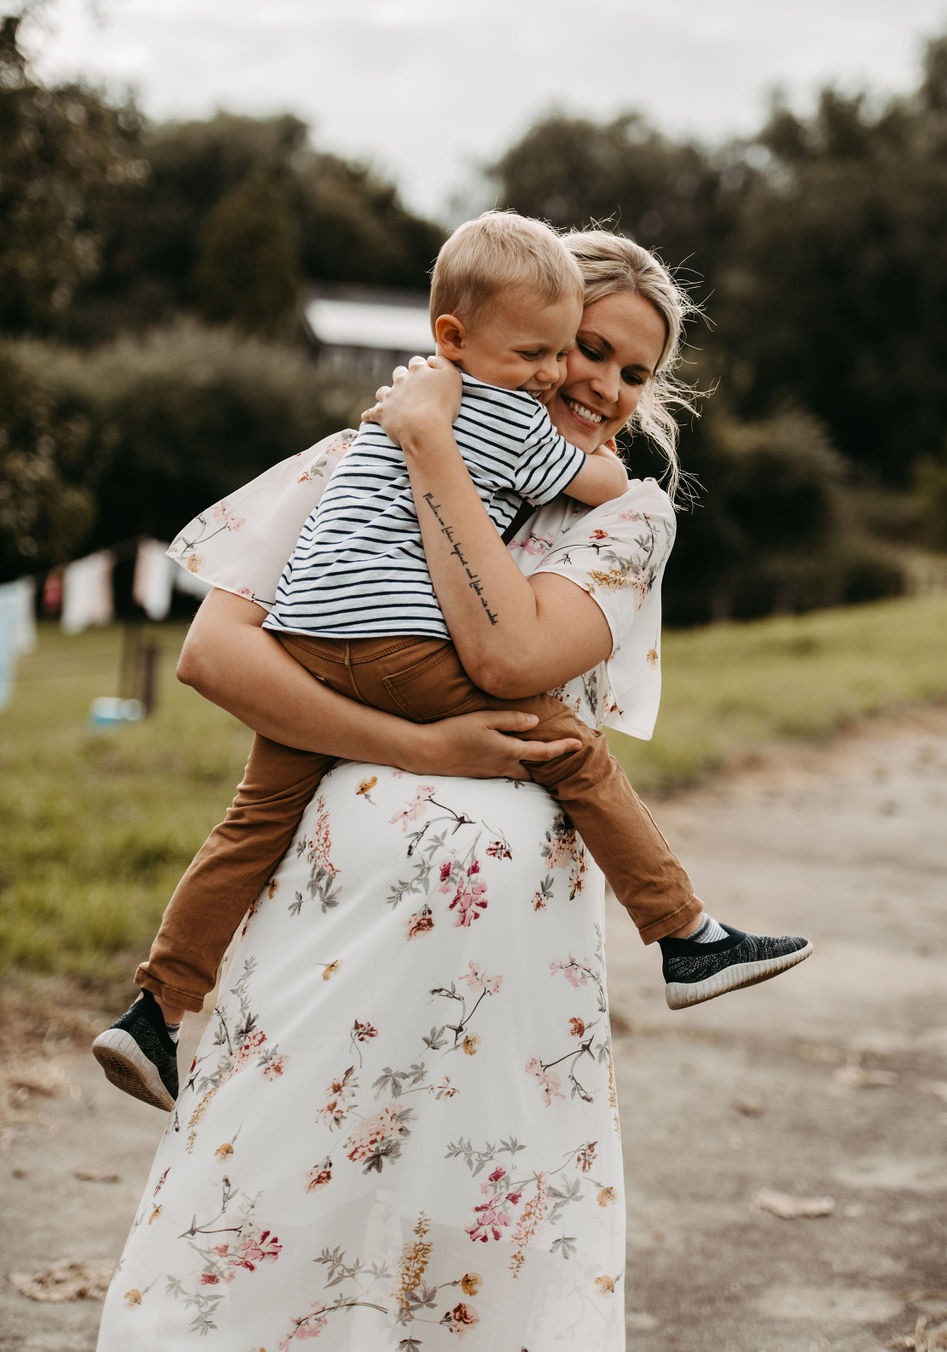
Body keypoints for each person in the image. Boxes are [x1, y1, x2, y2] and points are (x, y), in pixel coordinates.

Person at [97, 230, 809, 1351]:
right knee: (276, 1195)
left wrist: (436, 449)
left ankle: (683, 938)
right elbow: (215, 655)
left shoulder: (624, 515)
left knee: (476, 1226)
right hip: (329, 922)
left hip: (510, 965)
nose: (599, 386)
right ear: (492, 339)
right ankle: (159, 1012)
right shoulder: (361, 451)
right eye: (582, 348)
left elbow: (510, 661)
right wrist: (415, 747)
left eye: (634, 372)